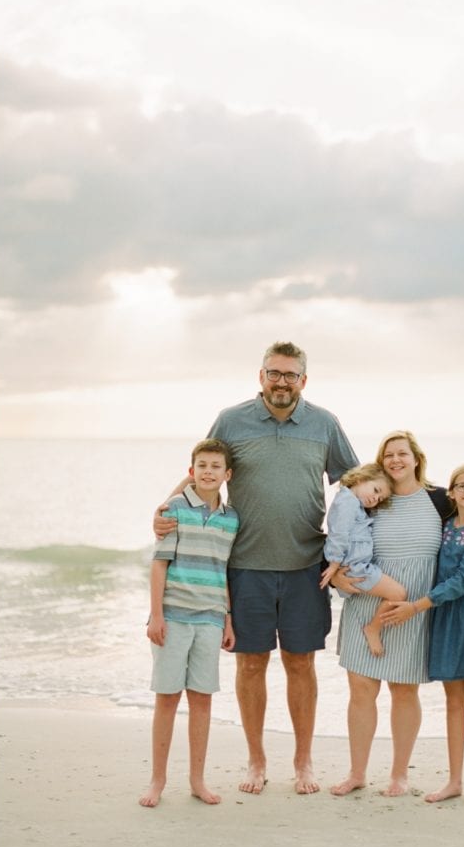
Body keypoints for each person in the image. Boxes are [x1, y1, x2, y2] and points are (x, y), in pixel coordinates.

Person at [153, 341, 358, 795]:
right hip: (244, 567)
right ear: (260, 376)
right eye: (274, 373)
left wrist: (417, 508)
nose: (281, 381)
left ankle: (303, 762)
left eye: (290, 374)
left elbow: (355, 483)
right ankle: (256, 760)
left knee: (300, 663)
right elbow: (202, 469)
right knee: (250, 665)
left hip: (307, 564)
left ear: (304, 380)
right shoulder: (232, 420)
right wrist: (166, 510)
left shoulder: (325, 424)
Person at [329, 430, 464, 798]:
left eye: (402, 453)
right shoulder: (373, 499)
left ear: (416, 457)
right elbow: (340, 536)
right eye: (388, 455)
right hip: (368, 598)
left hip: (416, 607)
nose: (395, 460)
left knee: (403, 690)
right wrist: (337, 576)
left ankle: (399, 774)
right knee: (361, 689)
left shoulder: (440, 500)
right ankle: (357, 772)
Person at [381, 462, 464, 804]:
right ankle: (454, 781)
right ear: (451, 492)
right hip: (444, 614)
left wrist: (415, 607)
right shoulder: (444, 525)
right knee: (452, 701)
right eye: (461, 486)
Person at [139, 439, 239, 808]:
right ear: (191, 471)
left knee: (202, 700)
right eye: (202, 466)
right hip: (174, 617)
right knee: (167, 699)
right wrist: (157, 615)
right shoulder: (175, 511)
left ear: (227, 475)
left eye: (216, 467)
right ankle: (157, 780)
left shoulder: (231, 519)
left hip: (210, 620)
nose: (209, 472)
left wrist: (227, 618)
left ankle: (197, 780)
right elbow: (159, 564)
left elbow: (224, 570)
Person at [320, 463, 406, 657]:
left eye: (379, 498)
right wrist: (334, 564)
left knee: (398, 594)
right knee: (399, 594)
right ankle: (373, 628)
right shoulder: (348, 501)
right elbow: (338, 534)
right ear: (361, 478)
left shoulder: (352, 502)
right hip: (356, 569)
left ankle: (372, 627)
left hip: (359, 567)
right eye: (376, 490)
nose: (375, 498)